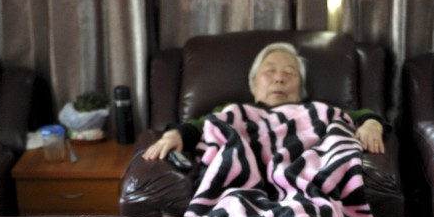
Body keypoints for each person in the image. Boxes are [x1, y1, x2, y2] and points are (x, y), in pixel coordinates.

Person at [142, 41, 386, 160]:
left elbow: (360, 116)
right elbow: (199, 126)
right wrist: (174, 135)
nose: (279, 78)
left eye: (290, 73)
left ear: (300, 88)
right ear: (253, 84)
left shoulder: (316, 110)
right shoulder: (234, 111)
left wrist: (371, 125)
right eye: (269, 71)